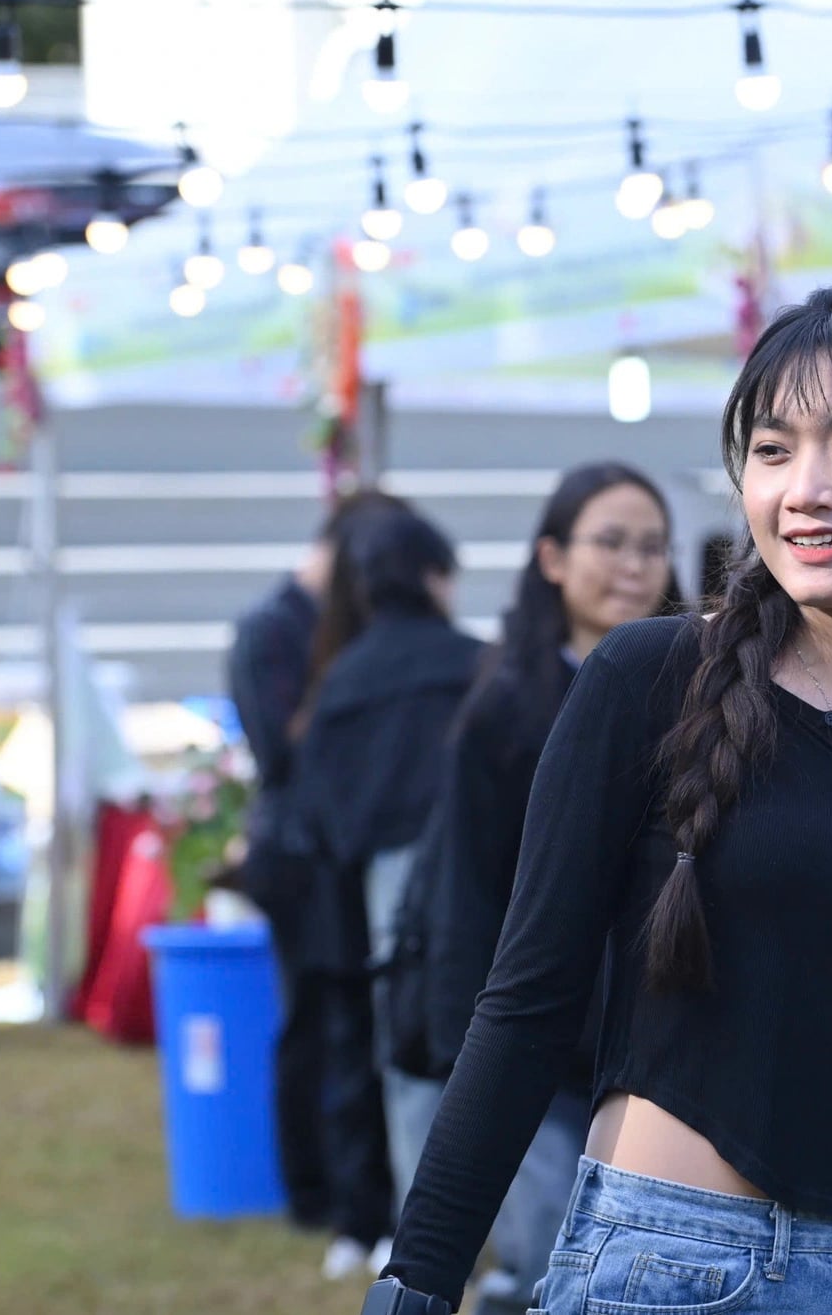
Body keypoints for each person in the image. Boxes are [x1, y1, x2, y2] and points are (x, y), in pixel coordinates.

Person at [367, 278, 832, 1315]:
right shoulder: (643, 680)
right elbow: (527, 1002)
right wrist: (418, 1278)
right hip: (669, 1267)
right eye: (771, 448)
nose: (805, 488)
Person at [402, 463, 681, 1315]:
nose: (634, 566)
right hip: (539, 1044)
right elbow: (466, 891)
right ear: (552, 558)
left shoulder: (701, 698)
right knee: (554, 1254)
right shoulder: (505, 707)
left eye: (652, 547)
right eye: (610, 542)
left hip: (656, 1049)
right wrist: (465, 1053)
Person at [292, 505, 484, 1270]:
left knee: (403, 1052)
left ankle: (426, 1235)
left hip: (380, 891)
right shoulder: (478, 661)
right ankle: (513, 1234)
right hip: (482, 879)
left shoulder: (341, 678)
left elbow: (318, 802)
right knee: (500, 1045)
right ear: (436, 577)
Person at [228, 489, 403, 1257]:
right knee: (314, 1025)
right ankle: (314, 1193)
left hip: (339, 847)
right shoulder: (272, 630)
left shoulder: (341, 628)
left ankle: (356, 1193)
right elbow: (283, 755)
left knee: (352, 1024)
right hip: (299, 857)